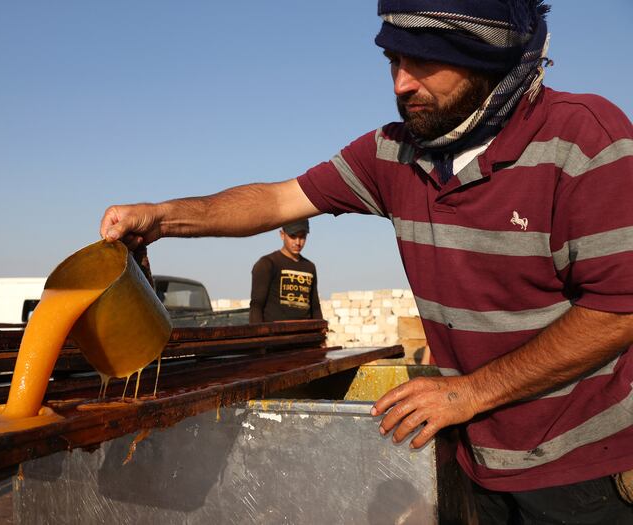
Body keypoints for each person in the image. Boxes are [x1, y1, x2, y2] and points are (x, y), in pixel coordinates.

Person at [100, 1, 633, 522]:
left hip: (585, 470)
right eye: (393, 62)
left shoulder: (584, 139)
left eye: (422, 61)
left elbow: (620, 309)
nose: (401, 83)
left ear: (484, 55)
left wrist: (468, 392)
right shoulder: (394, 155)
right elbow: (278, 200)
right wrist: (162, 217)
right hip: (479, 462)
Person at [249, 219, 322, 323]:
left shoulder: (310, 267)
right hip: (276, 335)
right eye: (293, 236)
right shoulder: (267, 264)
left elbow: (315, 307)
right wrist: (258, 335)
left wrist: (320, 331)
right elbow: (256, 305)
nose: (298, 242)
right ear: (282, 234)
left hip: (305, 335)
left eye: (302, 237)